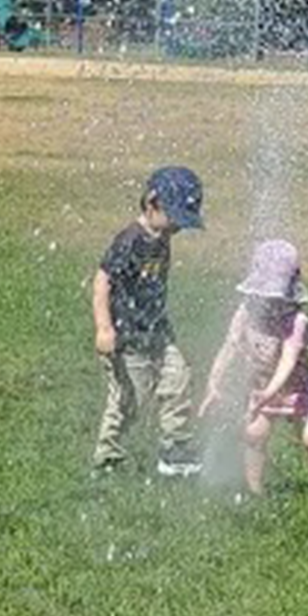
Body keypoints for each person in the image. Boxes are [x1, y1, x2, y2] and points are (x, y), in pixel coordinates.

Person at [198, 240, 308, 500]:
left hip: (298, 389)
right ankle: (255, 491)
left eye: (276, 297)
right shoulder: (245, 313)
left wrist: (269, 392)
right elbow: (228, 348)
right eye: (265, 296)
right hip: (262, 387)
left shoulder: (297, 321)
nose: (271, 304)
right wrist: (212, 385)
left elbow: (288, 360)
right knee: (254, 435)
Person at [90, 166, 205, 477]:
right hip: (126, 338)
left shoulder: (161, 234)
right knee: (130, 400)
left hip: (158, 332)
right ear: (152, 203)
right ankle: (107, 458)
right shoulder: (129, 240)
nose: (178, 228)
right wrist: (104, 328)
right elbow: (102, 281)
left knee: (179, 379)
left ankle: (175, 448)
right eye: (176, 218)